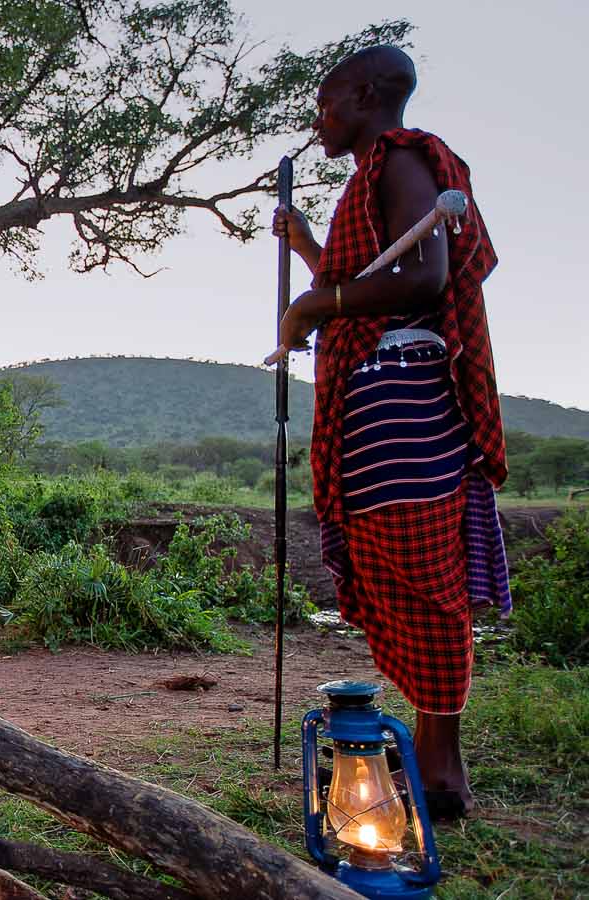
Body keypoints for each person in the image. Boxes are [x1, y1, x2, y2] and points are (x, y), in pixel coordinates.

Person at [270, 46, 508, 820]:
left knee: (421, 569)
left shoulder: (403, 158)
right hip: (376, 397)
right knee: (392, 566)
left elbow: (424, 278)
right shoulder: (372, 177)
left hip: (401, 395)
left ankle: (441, 773)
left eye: (328, 102)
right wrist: (308, 246)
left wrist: (313, 307)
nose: (320, 117)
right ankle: (436, 763)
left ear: (368, 95)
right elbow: (375, 274)